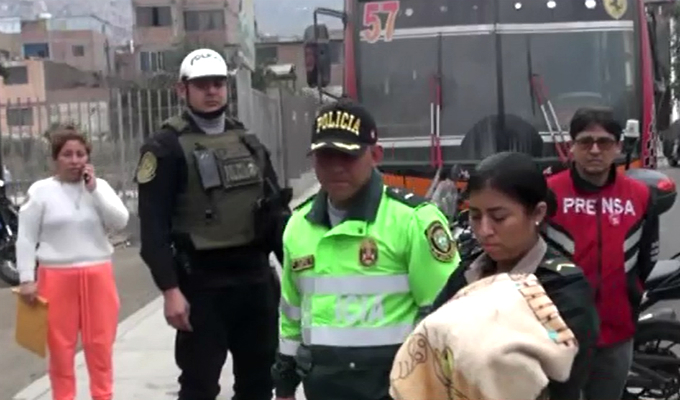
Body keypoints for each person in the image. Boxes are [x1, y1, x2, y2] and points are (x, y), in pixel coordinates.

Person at [272, 100, 460, 400]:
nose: (336, 167)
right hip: (323, 390)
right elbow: (292, 314)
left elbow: (448, 313)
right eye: (326, 156)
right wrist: (284, 381)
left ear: (375, 155)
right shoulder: (299, 226)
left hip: (395, 389)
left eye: (348, 155)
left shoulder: (413, 220)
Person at [136, 48, 290, 400]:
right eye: (202, 84)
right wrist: (170, 291)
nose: (211, 91)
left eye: (218, 83)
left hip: (255, 282)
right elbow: (153, 230)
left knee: (258, 383)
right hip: (202, 287)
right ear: (182, 89)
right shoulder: (165, 148)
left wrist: (297, 276)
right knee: (199, 386)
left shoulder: (248, 141)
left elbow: (276, 214)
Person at [430, 151, 600, 400]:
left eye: (499, 217)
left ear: (537, 213)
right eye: (475, 216)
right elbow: (428, 343)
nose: (484, 230)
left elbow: (559, 380)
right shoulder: (468, 272)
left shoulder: (562, 289)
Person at [544, 107, 660, 400]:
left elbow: (647, 259)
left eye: (604, 142)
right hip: (557, 335)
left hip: (617, 333)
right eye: (585, 141)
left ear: (618, 147)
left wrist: (632, 298)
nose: (594, 150)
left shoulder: (640, 196)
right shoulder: (548, 194)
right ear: (571, 147)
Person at [16, 126, 130, 400]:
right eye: (67, 154)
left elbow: (120, 221)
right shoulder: (41, 191)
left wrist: (94, 190)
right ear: (55, 159)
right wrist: (26, 278)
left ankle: (103, 395)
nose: (75, 160)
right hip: (56, 276)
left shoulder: (100, 188)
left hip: (97, 273)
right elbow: (26, 237)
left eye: (80, 154)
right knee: (60, 348)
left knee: (100, 345)